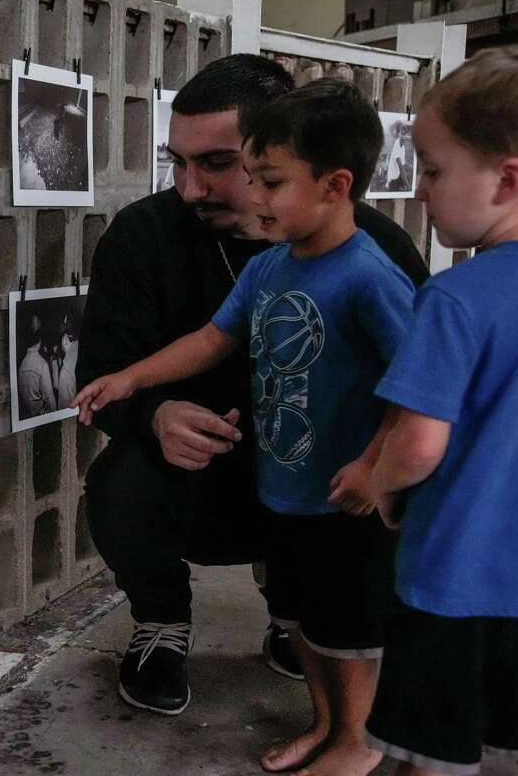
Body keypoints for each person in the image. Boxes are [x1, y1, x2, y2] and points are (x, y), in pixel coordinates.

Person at [77, 79, 416, 775]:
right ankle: (304, 712)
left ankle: (357, 739)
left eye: (233, 168)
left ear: (330, 182)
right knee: (298, 611)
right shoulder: (212, 252)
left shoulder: (373, 262)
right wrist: (145, 394)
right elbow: (207, 339)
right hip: (263, 481)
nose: (193, 187)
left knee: (345, 620)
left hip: (341, 487)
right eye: (178, 162)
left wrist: (381, 467)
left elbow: (418, 383)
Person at [361, 44, 518, 776]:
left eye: (434, 168)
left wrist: (381, 487)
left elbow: (418, 445)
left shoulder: (456, 298)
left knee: (434, 758)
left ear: (508, 178)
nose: (420, 190)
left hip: (455, 580)